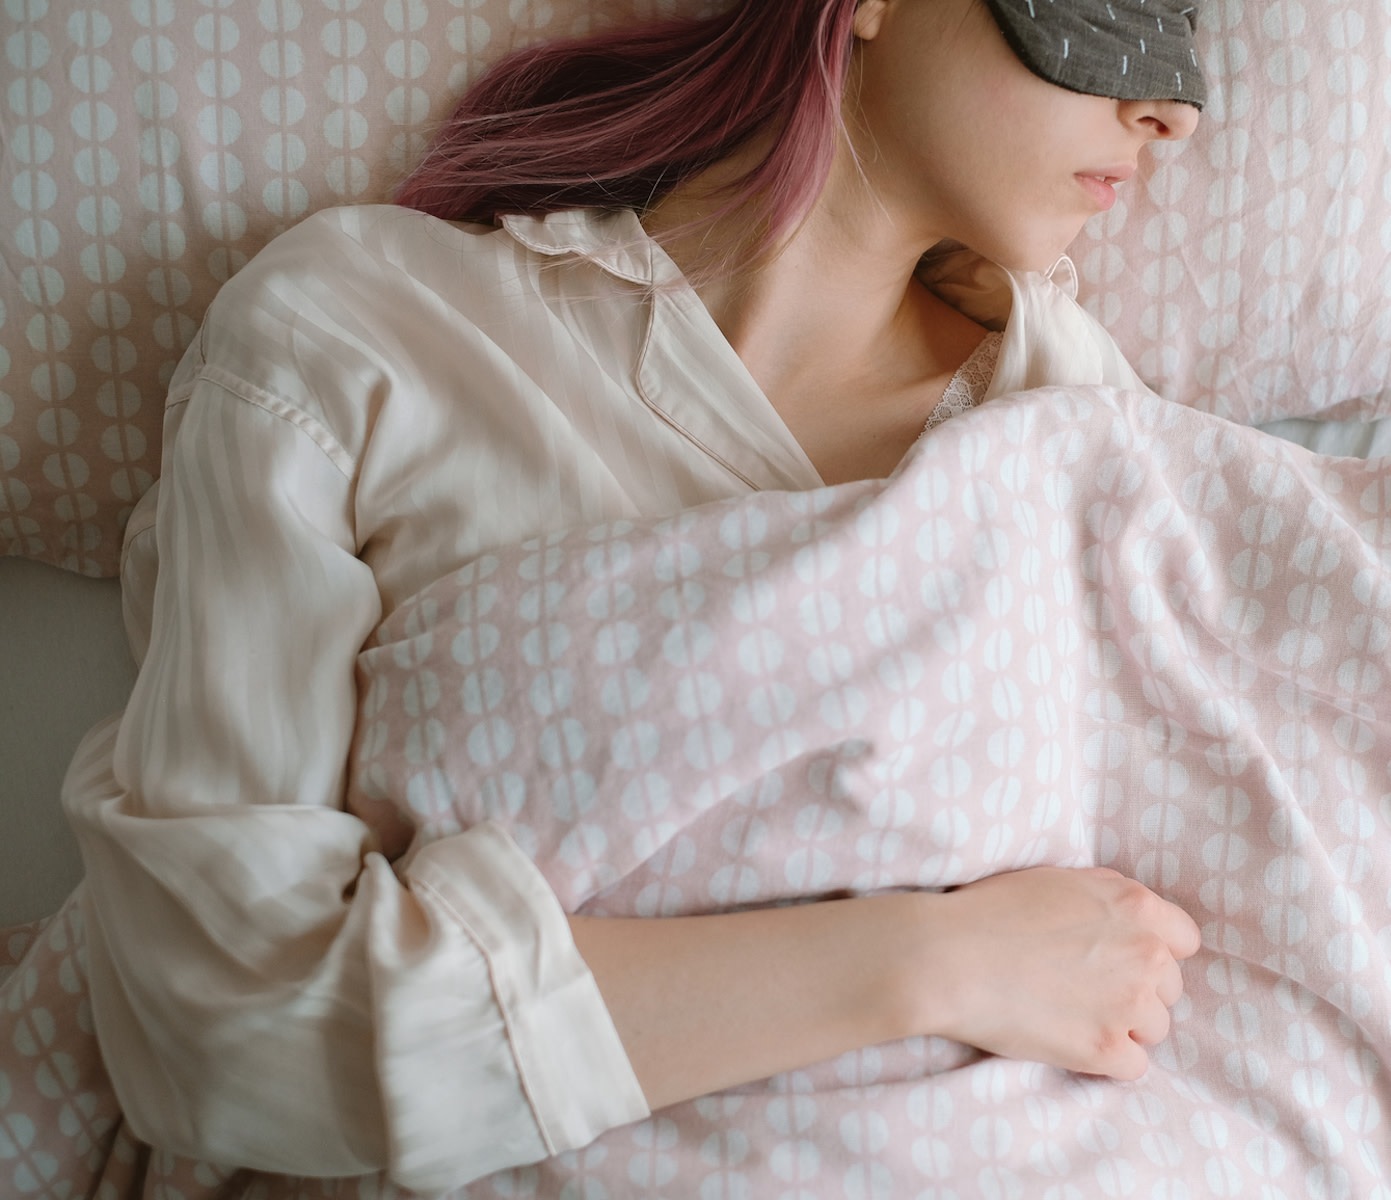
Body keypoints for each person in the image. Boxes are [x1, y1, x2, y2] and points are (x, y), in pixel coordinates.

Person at [60, 0, 1207, 1191]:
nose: (1174, 109)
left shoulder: (1080, 420)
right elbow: (222, 1027)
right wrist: (929, 962)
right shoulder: (359, 334)